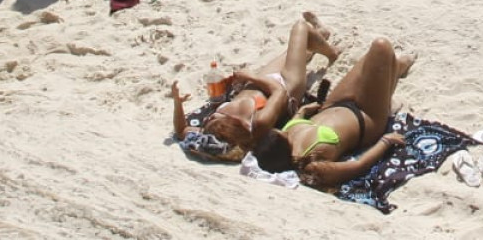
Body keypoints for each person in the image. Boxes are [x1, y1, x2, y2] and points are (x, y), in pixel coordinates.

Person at [250, 37, 415, 188]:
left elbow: (297, 118)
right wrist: (385, 142)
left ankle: (392, 74)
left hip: (333, 104)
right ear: (283, 149)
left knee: (371, 59)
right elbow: (357, 166)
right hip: (365, 118)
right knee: (381, 47)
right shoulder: (312, 163)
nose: (281, 130)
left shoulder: (285, 135)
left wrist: (302, 111)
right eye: (279, 133)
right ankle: (393, 78)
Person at [171, 13, 340, 158]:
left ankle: (320, 35)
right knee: (300, 28)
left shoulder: (211, 135)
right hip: (287, 85)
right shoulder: (258, 124)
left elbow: (181, 130)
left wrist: (178, 103)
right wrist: (250, 76)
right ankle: (331, 53)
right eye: (215, 118)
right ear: (232, 128)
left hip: (259, 82)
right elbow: (279, 92)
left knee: (296, 50)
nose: (211, 117)